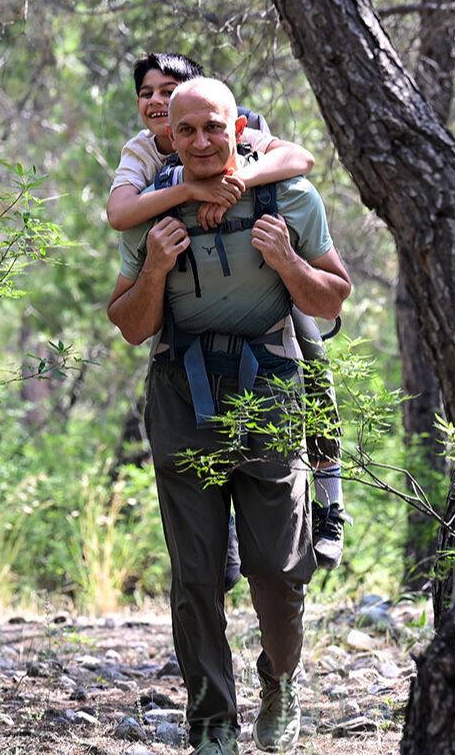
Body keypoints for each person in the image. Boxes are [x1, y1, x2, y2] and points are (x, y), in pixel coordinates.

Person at [106, 77, 351, 755]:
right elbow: (129, 325)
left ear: (236, 126)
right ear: (171, 139)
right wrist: (155, 265)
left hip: (270, 386)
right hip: (181, 393)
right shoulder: (153, 214)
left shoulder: (288, 198)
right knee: (197, 575)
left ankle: (278, 678)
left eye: (215, 127)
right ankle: (212, 727)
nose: (204, 142)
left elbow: (333, 295)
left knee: (279, 568)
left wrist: (286, 260)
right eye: (189, 132)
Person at [109, 53, 348, 573]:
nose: (156, 99)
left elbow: (299, 160)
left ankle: (329, 496)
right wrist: (191, 190)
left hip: (266, 301)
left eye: (168, 89)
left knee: (310, 355)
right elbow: (120, 213)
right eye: (147, 92)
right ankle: (228, 529)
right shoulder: (143, 151)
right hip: (188, 308)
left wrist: (237, 179)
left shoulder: (242, 130)